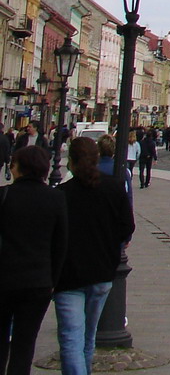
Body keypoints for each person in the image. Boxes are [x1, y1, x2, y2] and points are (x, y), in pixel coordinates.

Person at [54, 137, 134, 375]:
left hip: (69, 277)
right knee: (89, 337)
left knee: (71, 338)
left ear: (71, 162)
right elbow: (127, 227)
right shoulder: (114, 187)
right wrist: (111, 245)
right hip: (102, 273)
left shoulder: (62, 194)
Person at [0, 145, 69, 375]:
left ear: (19, 168)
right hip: (38, 282)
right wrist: (53, 281)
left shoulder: (4, 195)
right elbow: (60, 244)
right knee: (25, 341)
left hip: (4, 279)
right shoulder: (56, 198)